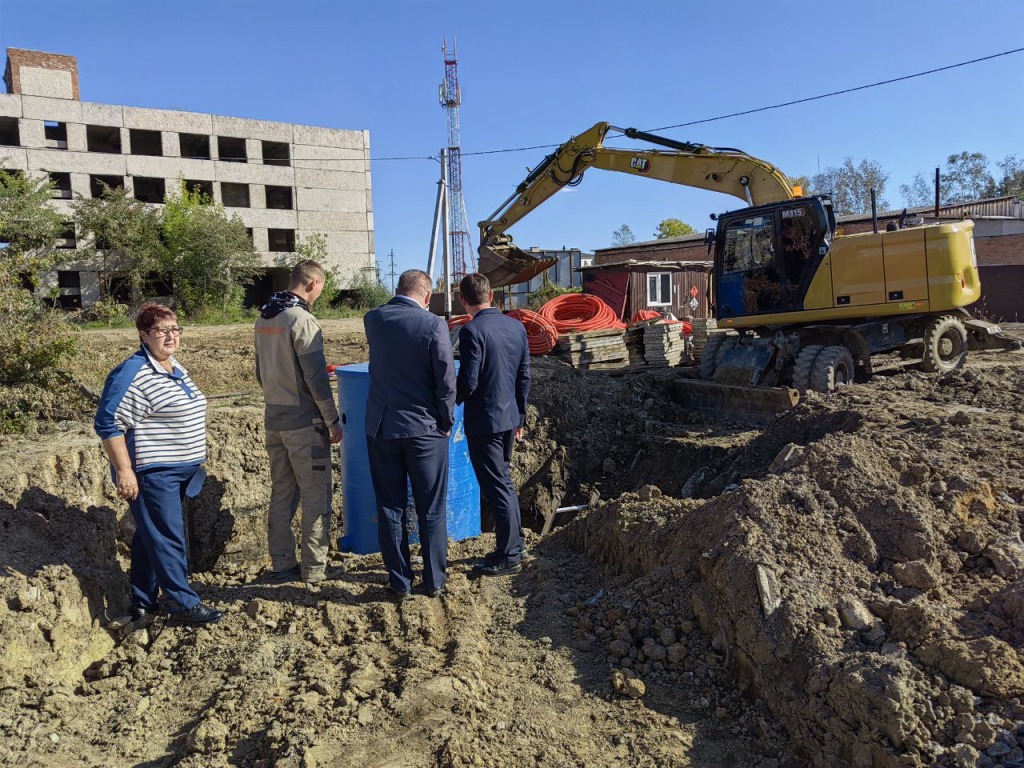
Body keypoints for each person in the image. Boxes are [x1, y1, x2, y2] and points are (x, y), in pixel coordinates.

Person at [94, 303, 222, 625]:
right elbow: (108, 422)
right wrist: (125, 471)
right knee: (167, 537)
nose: (170, 336)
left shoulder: (172, 366)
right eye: (161, 331)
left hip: (179, 471)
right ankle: (181, 602)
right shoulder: (133, 372)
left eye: (175, 329)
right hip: (153, 473)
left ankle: (143, 603)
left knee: (149, 537)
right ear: (143, 335)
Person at [363, 269, 455, 598]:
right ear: (427, 297)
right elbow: (445, 379)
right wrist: (446, 421)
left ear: (398, 289)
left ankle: (400, 582)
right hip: (425, 430)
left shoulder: (373, 319)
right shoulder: (433, 325)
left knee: (390, 507)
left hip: (382, 427)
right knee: (431, 507)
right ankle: (434, 581)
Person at [255, 260, 343, 584]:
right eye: (321, 287)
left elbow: (258, 374)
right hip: (304, 425)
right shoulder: (302, 320)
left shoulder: (265, 316)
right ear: (313, 283)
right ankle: (315, 568)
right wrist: (332, 419)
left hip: (273, 420)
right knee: (316, 496)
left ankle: (282, 565)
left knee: (282, 495)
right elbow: (317, 379)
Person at [456, 273, 531, 576]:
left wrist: (449, 401)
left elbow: (469, 380)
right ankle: (517, 543)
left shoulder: (471, 331)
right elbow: (524, 374)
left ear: (463, 300)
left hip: (485, 421)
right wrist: (521, 416)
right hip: (509, 417)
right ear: (491, 296)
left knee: (496, 485)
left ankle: (509, 554)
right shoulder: (515, 326)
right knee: (504, 482)